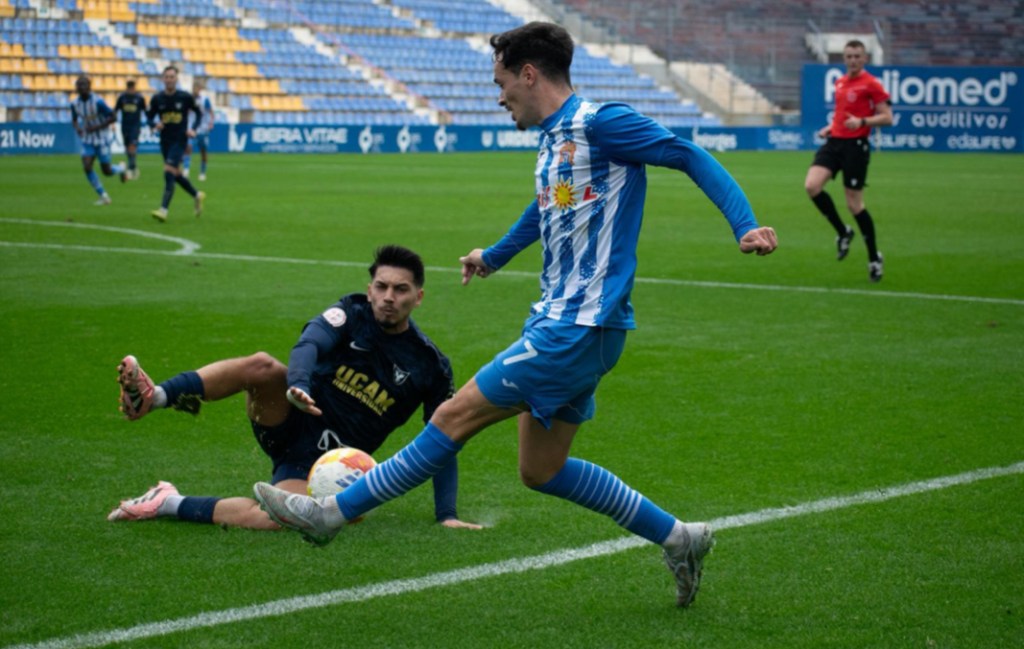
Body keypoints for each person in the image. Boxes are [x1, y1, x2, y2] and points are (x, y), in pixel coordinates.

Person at [254, 22, 777, 608]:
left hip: (578, 326)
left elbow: (685, 152)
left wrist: (743, 223)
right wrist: (495, 256)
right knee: (542, 470)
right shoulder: (554, 140)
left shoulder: (600, 123)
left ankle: (329, 513)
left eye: (501, 82)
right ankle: (680, 537)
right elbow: (547, 206)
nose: (499, 96)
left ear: (529, 75)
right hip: (571, 325)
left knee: (453, 415)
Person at [110, 245, 480, 531]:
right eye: (381, 287)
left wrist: (446, 514)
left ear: (418, 297)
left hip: (324, 466)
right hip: (290, 418)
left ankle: (167, 502)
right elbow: (309, 344)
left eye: (401, 289)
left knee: (280, 519)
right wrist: (298, 387)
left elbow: (444, 436)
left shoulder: (430, 365)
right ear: (369, 290)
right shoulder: (351, 312)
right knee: (262, 366)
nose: (389, 297)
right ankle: (155, 397)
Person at [804, 39, 893, 282]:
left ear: (865, 59)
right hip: (835, 142)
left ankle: (874, 257)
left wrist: (862, 122)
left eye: (857, 56)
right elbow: (841, 115)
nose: (853, 60)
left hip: (856, 146)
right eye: (849, 56)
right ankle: (843, 231)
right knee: (812, 186)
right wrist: (830, 128)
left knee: (854, 205)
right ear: (844, 58)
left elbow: (887, 117)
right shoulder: (840, 82)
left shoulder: (871, 84)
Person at [146, 65, 205, 223]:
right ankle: (196, 195)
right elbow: (149, 116)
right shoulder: (157, 99)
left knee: (168, 171)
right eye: (167, 77)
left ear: (176, 79)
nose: (169, 80)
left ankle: (163, 210)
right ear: (163, 79)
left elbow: (199, 113)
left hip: (180, 140)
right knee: (175, 173)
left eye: (172, 77)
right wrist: (154, 124)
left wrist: (193, 129)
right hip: (165, 141)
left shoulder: (184, 97)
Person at [70, 75, 126, 205]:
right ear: (76, 88)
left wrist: (97, 127)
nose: (82, 87)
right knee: (87, 166)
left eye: (84, 84)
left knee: (106, 171)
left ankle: (121, 168)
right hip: (88, 140)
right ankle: (103, 195)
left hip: (102, 139)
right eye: (80, 85)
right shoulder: (74, 104)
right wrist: (78, 129)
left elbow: (113, 117)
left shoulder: (98, 102)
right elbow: (74, 119)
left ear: (89, 86)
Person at [114, 79, 147, 180]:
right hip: (125, 126)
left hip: (135, 125)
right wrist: (112, 123)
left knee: (132, 145)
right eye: (129, 88)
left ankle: (130, 168)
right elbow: (115, 110)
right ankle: (132, 165)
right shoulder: (122, 98)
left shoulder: (139, 98)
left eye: (132, 88)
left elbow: (145, 111)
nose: (131, 90)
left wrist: (150, 124)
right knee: (127, 147)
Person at [182, 80, 213, 181]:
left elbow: (211, 112)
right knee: (188, 147)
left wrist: (211, 123)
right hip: (191, 128)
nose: (196, 90)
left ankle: (202, 172)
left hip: (203, 128)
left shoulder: (205, 100)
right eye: (194, 88)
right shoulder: (189, 99)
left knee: (203, 151)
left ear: (200, 89)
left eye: (197, 88)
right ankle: (186, 169)